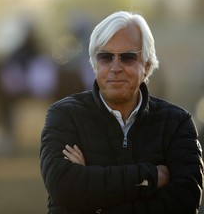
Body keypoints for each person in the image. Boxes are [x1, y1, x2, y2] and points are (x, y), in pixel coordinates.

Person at [40, 11, 204, 214]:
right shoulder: (64, 115)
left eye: (127, 57)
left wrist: (92, 193)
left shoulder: (177, 123)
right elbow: (63, 187)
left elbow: (185, 201)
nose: (115, 67)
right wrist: (151, 176)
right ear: (94, 64)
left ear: (147, 66)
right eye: (105, 57)